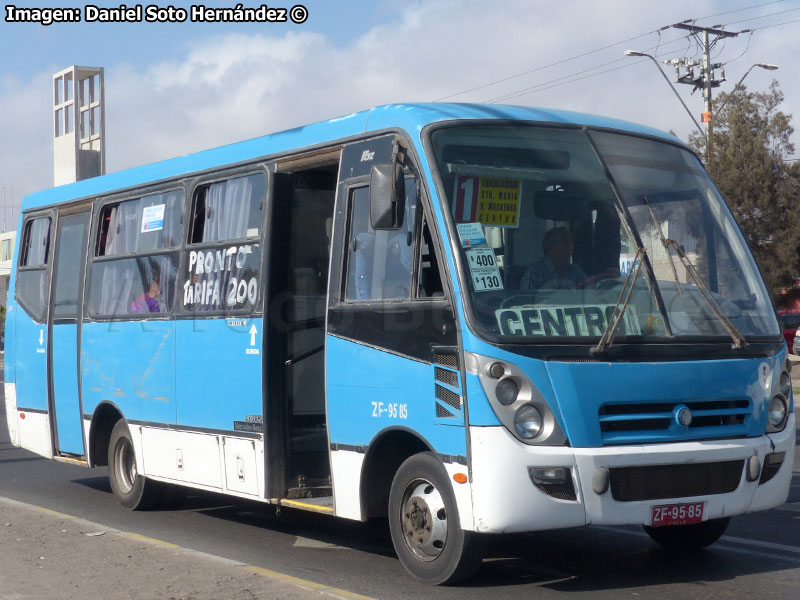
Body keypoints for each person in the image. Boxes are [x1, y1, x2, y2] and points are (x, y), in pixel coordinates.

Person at [520, 226, 587, 290]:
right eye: (564, 241)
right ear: (549, 247)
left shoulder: (577, 272)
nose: (569, 246)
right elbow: (526, 300)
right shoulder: (534, 273)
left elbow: (591, 296)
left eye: (571, 242)